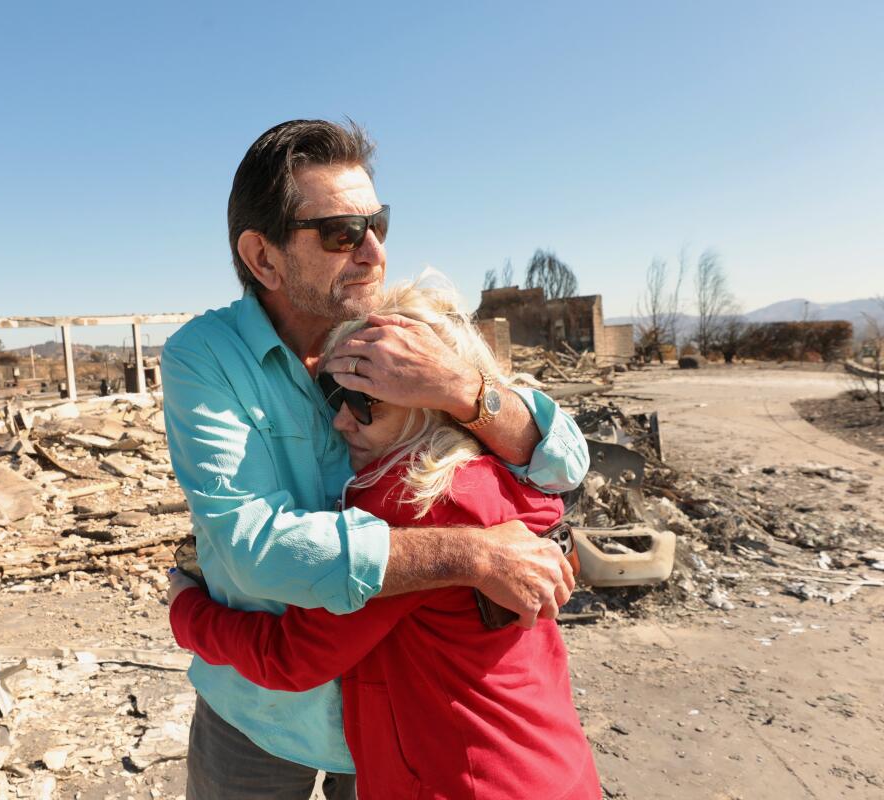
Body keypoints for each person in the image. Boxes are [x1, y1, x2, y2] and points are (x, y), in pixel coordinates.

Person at [161, 119, 589, 799]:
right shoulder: (204, 358)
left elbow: (561, 464)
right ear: (264, 258)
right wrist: (470, 555)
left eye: (377, 225)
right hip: (262, 717)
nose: (372, 253)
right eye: (340, 233)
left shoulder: (400, 330)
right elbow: (253, 547)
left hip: (397, 730)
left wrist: (460, 389)